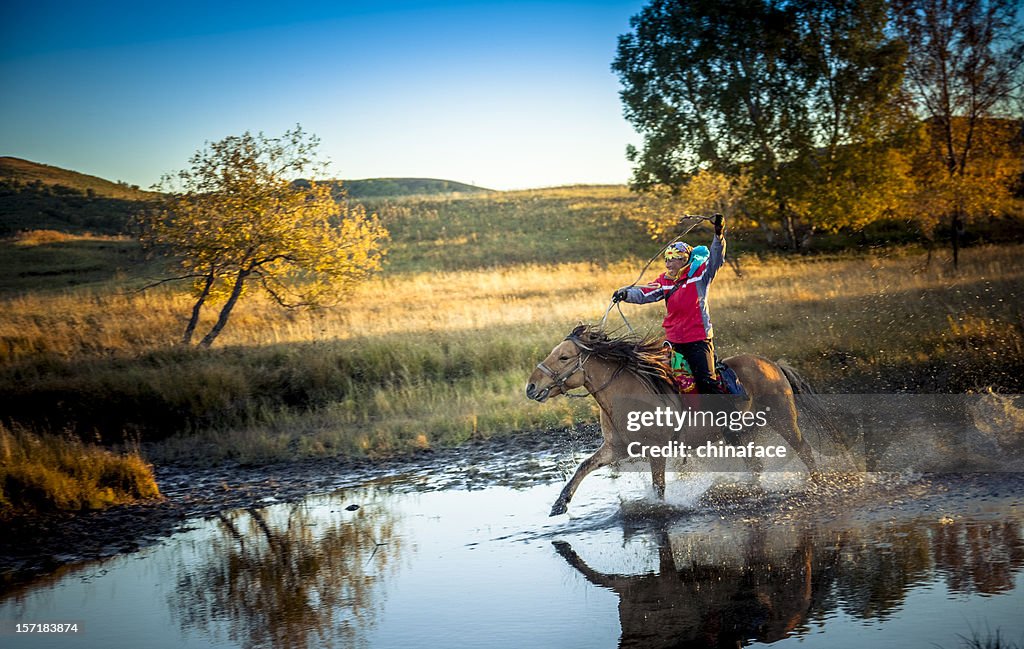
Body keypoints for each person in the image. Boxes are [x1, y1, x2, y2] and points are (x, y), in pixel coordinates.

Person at [612, 214, 727, 395]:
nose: (668, 262)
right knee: (666, 384)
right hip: (673, 341)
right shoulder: (664, 281)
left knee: (707, 382)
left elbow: (716, 259)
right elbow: (645, 293)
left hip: (698, 339)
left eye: (673, 258)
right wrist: (625, 294)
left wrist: (718, 235)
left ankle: (725, 419)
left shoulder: (700, 275)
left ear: (684, 259)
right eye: (667, 258)